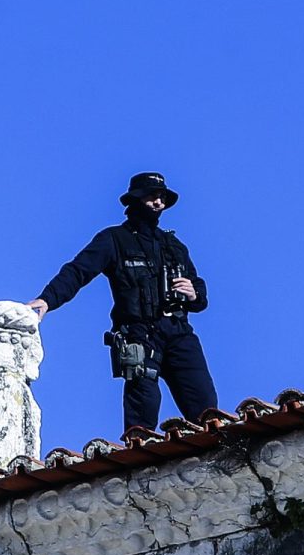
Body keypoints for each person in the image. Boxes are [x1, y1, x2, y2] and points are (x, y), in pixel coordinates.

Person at [27, 172, 219, 433]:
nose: (158, 202)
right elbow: (77, 271)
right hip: (139, 335)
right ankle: (138, 462)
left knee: (207, 411)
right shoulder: (114, 239)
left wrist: (194, 294)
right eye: (152, 195)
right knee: (142, 419)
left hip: (178, 332)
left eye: (162, 197)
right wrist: (47, 300)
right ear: (136, 199)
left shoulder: (174, 246)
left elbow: (199, 291)